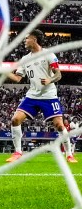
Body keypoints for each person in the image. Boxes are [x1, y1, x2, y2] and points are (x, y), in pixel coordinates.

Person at [6, 29, 76, 164]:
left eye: (27, 38)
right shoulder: (25, 59)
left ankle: (69, 154)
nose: (25, 41)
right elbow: (17, 78)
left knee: (60, 126)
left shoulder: (48, 55)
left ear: (34, 40)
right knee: (15, 120)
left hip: (49, 96)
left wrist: (50, 80)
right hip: (32, 96)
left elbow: (58, 74)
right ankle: (18, 152)